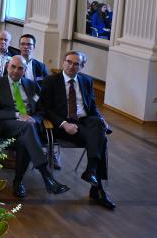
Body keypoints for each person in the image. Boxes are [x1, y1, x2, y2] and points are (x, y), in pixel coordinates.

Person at [38, 51, 115, 210]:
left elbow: (92, 106)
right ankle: (97, 187)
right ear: (63, 62)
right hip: (63, 125)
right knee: (102, 140)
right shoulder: (51, 81)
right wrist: (64, 123)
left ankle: (92, 172)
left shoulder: (86, 81)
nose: (72, 66)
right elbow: (45, 109)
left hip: (85, 121)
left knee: (98, 124)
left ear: (82, 66)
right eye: (69, 62)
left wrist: (101, 119)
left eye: (76, 64)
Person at [0, 56, 68, 199]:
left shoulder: (31, 85)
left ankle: (18, 182)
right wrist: (18, 115)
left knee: (25, 140)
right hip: (7, 124)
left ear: (24, 70)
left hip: (29, 127)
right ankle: (46, 177)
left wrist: (34, 119)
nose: (16, 71)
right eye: (13, 67)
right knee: (27, 128)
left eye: (20, 68)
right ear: (7, 67)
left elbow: (42, 110)